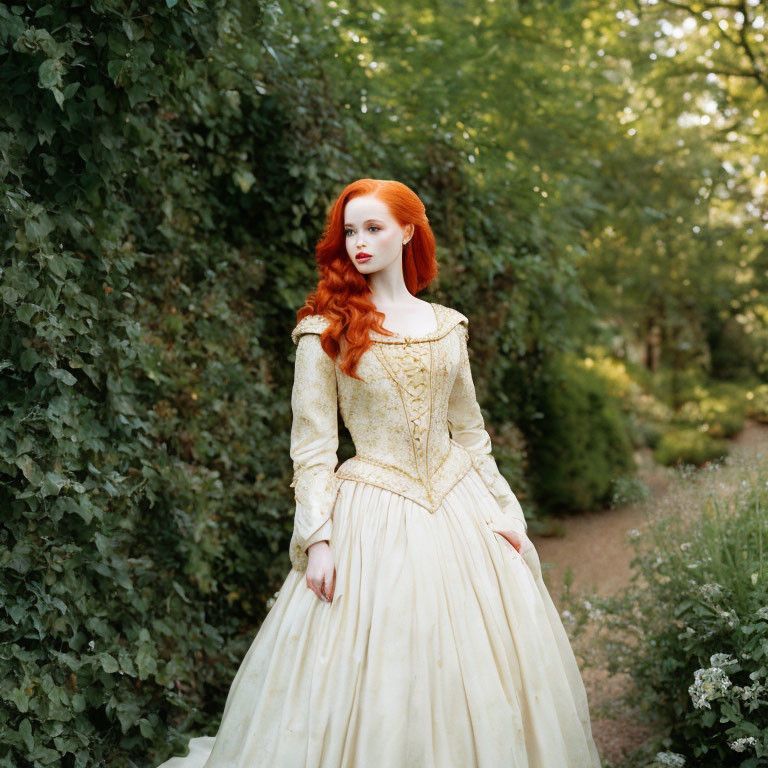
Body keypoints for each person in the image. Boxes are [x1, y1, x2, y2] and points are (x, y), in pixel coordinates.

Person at [157, 178, 601, 767]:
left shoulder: (448, 325)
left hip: (461, 508)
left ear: (408, 231)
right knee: (378, 671)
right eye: (350, 231)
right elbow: (313, 448)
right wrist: (317, 539)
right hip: (373, 517)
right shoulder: (325, 329)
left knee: (481, 668)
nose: (359, 242)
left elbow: (469, 432)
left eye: (374, 228)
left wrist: (505, 510)